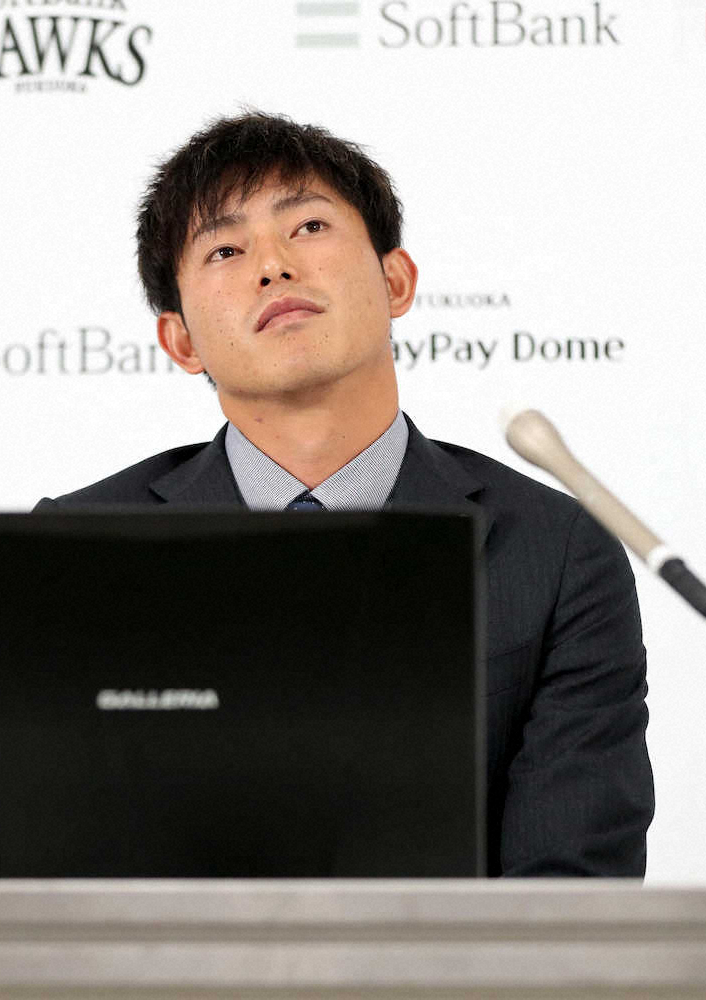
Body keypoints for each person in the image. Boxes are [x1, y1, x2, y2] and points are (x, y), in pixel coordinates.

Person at [35, 111, 654, 876]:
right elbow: (43, 859)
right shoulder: (78, 547)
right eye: (225, 249)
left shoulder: (554, 549)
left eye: (308, 227)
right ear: (181, 341)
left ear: (395, 282)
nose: (273, 266)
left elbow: (567, 887)